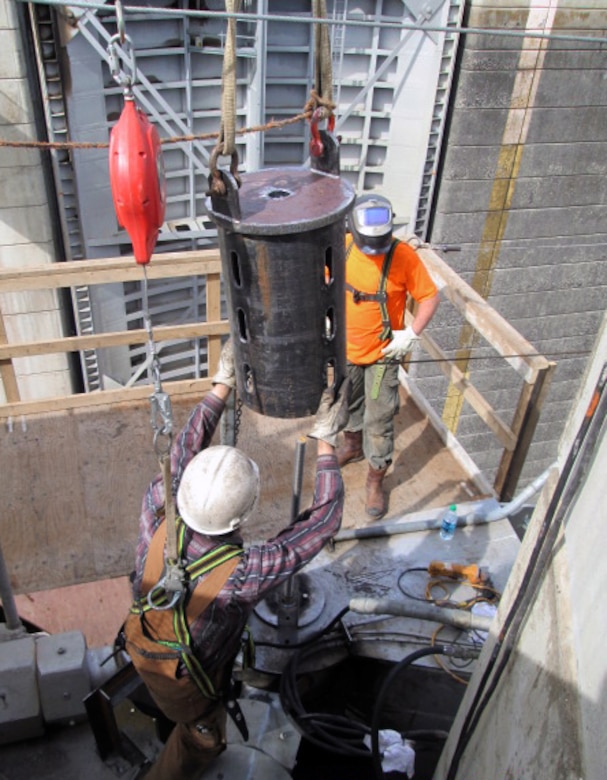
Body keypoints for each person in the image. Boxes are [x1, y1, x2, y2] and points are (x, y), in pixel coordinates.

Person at [120, 339, 349, 780]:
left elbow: (181, 452)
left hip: (141, 648)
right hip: (188, 689)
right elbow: (321, 524)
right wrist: (326, 442)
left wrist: (220, 386)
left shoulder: (158, 506)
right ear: (244, 514)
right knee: (203, 739)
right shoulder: (241, 575)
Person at [337, 194, 440, 519]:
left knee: (379, 419)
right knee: (347, 404)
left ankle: (374, 479)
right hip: (347, 350)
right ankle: (352, 447)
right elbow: (323, 278)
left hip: (383, 354)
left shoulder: (403, 256)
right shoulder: (344, 247)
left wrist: (412, 333)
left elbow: (429, 296)